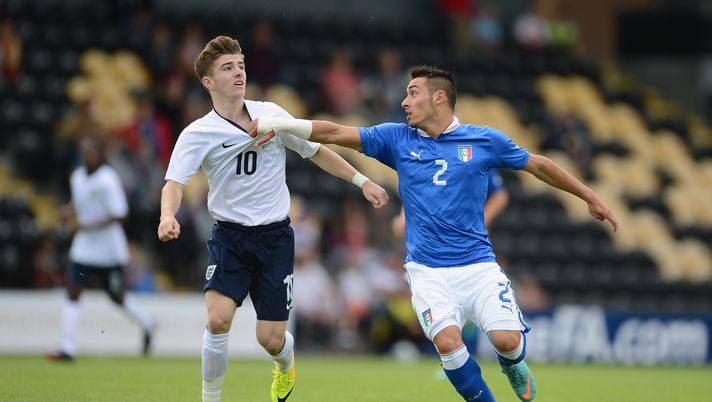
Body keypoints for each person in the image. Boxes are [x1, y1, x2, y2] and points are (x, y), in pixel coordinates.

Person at [250, 65, 618, 402]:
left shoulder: (483, 141)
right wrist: (282, 125)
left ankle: (512, 363)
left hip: (478, 266)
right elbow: (334, 132)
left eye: (413, 93)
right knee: (448, 344)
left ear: (438, 98)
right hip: (428, 271)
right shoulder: (397, 138)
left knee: (507, 341)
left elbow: (538, 165)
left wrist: (589, 196)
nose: (404, 101)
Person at [156, 36, 388, 402]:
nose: (238, 73)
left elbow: (317, 150)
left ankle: (284, 362)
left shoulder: (272, 116)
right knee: (217, 320)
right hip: (229, 237)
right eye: (227, 68)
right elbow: (174, 183)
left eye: (241, 65)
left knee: (270, 339)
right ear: (208, 82)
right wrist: (167, 215)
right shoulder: (197, 133)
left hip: (275, 239)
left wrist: (362, 181)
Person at [48, 136, 156, 362]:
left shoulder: (108, 179)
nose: (86, 156)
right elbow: (80, 202)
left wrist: (90, 225)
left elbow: (121, 214)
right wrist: (69, 210)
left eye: (91, 152)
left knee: (117, 297)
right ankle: (68, 348)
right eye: (83, 152)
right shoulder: (77, 177)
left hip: (109, 252)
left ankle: (148, 324)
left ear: (99, 154)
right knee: (73, 291)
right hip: (84, 249)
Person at [392, 169, 508, 238]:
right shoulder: (422, 153)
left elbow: (500, 195)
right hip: (429, 235)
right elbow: (415, 190)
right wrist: (404, 217)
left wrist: (481, 223)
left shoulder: (470, 150)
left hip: (466, 236)